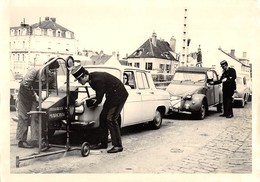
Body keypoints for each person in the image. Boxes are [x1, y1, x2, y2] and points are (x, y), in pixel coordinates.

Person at [71, 65, 129, 153]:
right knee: (102, 117)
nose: (79, 82)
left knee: (111, 119)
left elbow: (98, 100)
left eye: (79, 79)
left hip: (119, 95)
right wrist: (84, 101)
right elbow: (98, 95)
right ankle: (103, 143)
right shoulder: (92, 80)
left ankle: (118, 146)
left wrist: (82, 102)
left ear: (85, 76)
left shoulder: (96, 80)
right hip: (111, 96)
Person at [16, 60, 59, 148]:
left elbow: (53, 89)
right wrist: (34, 95)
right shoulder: (35, 71)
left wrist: (48, 98)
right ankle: (21, 141)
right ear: (46, 68)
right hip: (24, 95)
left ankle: (35, 140)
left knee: (36, 116)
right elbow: (25, 84)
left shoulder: (52, 76)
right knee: (23, 117)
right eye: (51, 71)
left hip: (36, 96)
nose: (52, 73)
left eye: (55, 71)